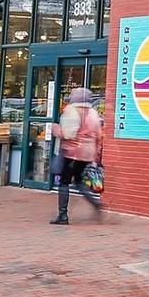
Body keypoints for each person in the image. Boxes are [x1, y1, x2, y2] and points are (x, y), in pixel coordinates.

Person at [51, 88, 105, 225]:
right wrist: (96, 155)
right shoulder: (93, 113)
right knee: (79, 181)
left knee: (64, 182)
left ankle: (63, 215)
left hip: (71, 153)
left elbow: (68, 134)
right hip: (87, 154)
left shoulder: (71, 111)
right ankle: (95, 202)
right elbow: (99, 135)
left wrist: (56, 129)